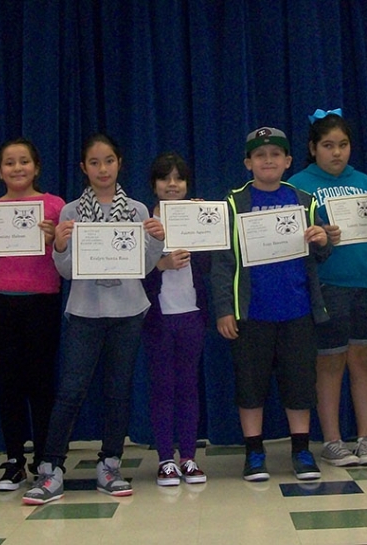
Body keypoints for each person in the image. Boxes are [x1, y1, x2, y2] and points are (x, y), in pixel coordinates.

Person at [22, 134, 165, 505]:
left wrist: (156, 240)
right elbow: (67, 273)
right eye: (95, 163)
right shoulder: (69, 212)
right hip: (85, 312)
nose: (103, 169)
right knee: (71, 391)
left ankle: (110, 464)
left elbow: (144, 267)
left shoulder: (137, 211)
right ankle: (51, 470)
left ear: (120, 163)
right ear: (84, 168)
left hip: (128, 311)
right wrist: (61, 245)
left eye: (109, 161)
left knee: (118, 391)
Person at [212, 127, 332, 482]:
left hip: (297, 310)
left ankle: (301, 450)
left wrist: (322, 238)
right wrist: (224, 308)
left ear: (288, 161)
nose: (268, 160)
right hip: (251, 314)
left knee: (299, 385)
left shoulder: (304, 200)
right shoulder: (233, 202)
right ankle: (254, 453)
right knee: (250, 386)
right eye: (260, 155)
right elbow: (222, 262)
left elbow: (321, 251)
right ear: (248, 163)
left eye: (275, 154)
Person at [289, 109, 367, 467]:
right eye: (328, 145)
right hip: (326, 289)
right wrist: (321, 239)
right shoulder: (299, 184)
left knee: (363, 361)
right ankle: (332, 440)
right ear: (313, 148)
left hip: (366, 287)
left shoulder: (365, 182)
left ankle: (366, 438)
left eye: (343, 145)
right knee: (329, 363)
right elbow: (288, 244)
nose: (336, 152)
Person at [0, 138, 65, 490]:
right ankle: (13, 461)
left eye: (24, 161)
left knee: (41, 382)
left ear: (37, 167)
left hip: (42, 302)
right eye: (10, 163)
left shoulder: (54, 206)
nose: (18, 168)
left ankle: (45, 459)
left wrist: (56, 239)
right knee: (8, 383)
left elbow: (67, 261)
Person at [141, 152, 209, 486]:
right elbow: (130, 268)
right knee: (163, 387)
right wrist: (159, 264)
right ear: (154, 185)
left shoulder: (197, 214)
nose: (172, 184)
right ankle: (166, 458)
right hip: (158, 316)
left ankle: (189, 458)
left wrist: (204, 227)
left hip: (193, 314)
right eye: (165, 178)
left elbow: (213, 264)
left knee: (188, 387)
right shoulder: (145, 220)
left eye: (178, 178)